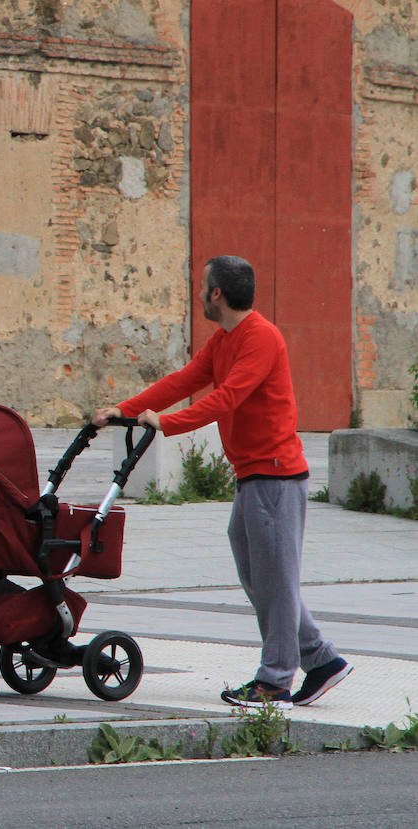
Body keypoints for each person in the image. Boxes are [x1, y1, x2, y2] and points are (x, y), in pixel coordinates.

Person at [92, 255, 351, 709]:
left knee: (273, 580)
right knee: (262, 577)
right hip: (253, 475)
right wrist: (126, 410)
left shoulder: (261, 338)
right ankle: (321, 659)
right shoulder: (224, 339)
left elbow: (227, 397)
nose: (197, 294)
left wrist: (166, 425)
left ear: (217, 294)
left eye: (201, 286)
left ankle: (274, 682)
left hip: (275, 475)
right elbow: (184, 380)